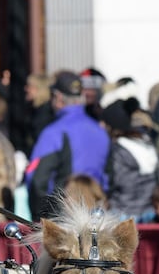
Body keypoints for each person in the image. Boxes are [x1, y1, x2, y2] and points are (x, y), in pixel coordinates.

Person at [26, 71, 109, 199]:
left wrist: (44, 214)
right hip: (96, 210)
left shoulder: (54, 133)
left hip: (64, 213)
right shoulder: (100, 131)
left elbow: (36, 179)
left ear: (58, 98)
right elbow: (108, 178)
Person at [100, 100, 158, 221]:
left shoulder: (118, 151)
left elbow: (115, 182)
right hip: (148, 213)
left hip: (122, 213)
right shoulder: (146, 143)